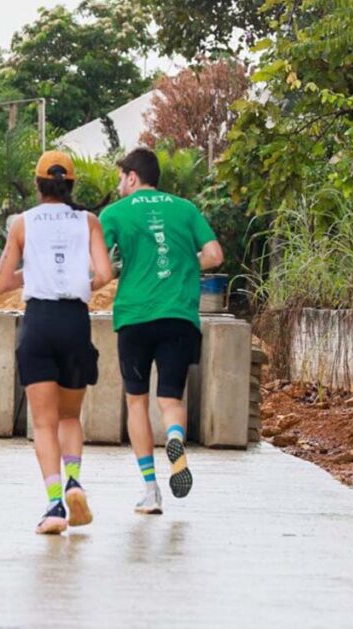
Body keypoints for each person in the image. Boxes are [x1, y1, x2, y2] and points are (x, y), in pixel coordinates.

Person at [0, 150, 113, 535]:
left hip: (39, 323)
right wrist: (80, 283)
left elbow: (0, 284)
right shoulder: (88, 221)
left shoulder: (22, 223)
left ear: (38, 184)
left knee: (43, 423)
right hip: (74, 322)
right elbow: (105, 273)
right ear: (71, 183)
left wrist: (34, 275)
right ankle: (75, 479)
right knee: (69, 416)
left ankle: (55, 503)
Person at [100, 148, 224, 514]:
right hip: (179, 317)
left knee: (136, 401)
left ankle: (151, 490)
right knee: (171, 400)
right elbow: (215, 255)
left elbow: (100, 265)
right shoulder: (185, 209)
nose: (120, 184)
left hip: (135, 317)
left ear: (133, 177)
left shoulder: (114, 213)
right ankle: (174, 439)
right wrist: (187, 263)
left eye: (121, 178)